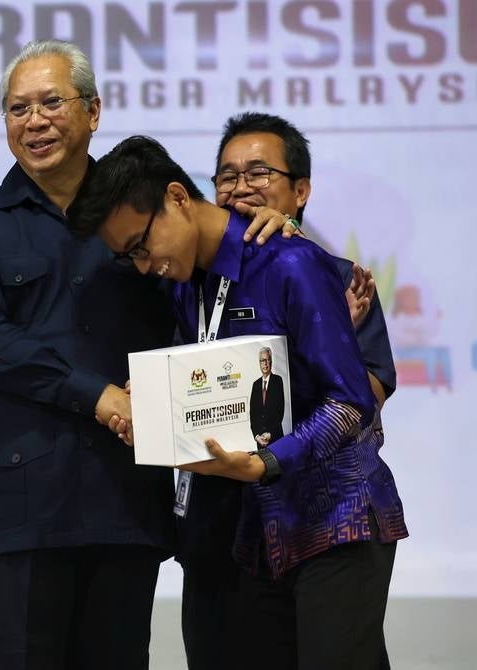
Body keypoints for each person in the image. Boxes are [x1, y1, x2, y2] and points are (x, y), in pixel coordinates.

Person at [0, 40, 295, 669]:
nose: (34, 121)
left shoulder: (149, 206)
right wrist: (97, 394)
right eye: (17, 109)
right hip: (20, 509)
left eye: (52, 102)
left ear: (94, 111)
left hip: (125, 501)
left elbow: (212, 277)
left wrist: (272, 236)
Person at [67, 135, 408, 669]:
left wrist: (266, 461)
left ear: (178, 198)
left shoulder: (289, 262)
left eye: (140, 245)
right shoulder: (185, 283)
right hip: (246, 532)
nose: (141, 264)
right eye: (127, 255)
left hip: (332, 518)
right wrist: (157, 407)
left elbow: (351, 404)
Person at [176, 112, 400, 670]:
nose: (239, 187)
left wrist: (321, 331)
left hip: (323, 517)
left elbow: (362, 396)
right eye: (225, 176)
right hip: (227, 528)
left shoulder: (328, 275)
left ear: (300, 190)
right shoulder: (190, 283)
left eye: (258, 172)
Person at [249, 347, 285, 448]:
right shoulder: (255, 385)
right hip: (260, 442)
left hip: (276, 438)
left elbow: (280, 411)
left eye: (268, 360)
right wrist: (256, 436)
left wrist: (270, 434)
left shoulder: (278, 381)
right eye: (263, 360)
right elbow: (253, 414)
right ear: (259, 363)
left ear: (271, 361)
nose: (266, 363)